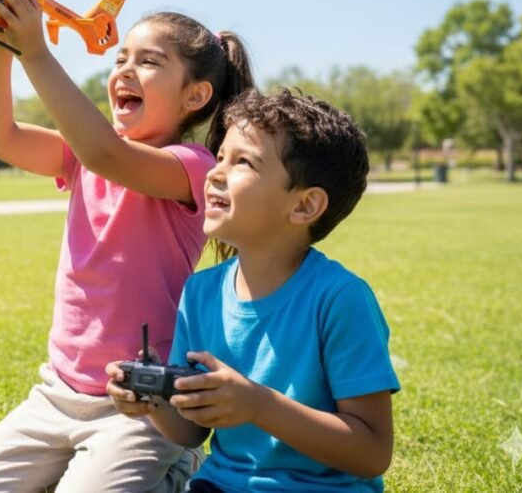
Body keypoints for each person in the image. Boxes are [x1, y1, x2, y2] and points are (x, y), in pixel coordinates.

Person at [0, 0, 254, 493]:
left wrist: (36, 52)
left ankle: (176, 467)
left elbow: (107, 154)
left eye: (149, 62)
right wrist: (0, 41)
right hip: (56, 395)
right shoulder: (82, 153)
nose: (125, 71)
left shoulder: (193, 166)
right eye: (119, 59)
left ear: (195, 96)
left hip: (139, 404)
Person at [106, 89, 400, 492]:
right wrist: (152, 397)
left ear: (304, 206)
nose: (215, 173)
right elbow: (191, 432)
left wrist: (258, 405)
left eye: (243, 162)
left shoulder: (340, 300)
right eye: (220, 157)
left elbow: (371, 452)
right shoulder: (201, 292)